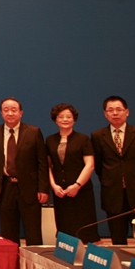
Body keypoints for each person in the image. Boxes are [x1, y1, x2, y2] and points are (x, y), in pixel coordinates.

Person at [91, 96, 135, 245]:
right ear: (105, 114)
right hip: (113, 193)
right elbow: (99, 166)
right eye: (110, 110)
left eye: (119, 109)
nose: (115, 113)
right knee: (117, 238)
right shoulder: (98, 136)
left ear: (127, 112)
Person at [0, 97, 49, 245]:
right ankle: (11, 259)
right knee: (8, 232)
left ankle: (34, 259)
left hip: (30, 188)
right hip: (5, 187)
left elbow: (42, 162)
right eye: (6, 110)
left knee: (33, 231)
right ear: (1, 113)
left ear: (21, 113)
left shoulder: (33, 132)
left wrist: (43, 188)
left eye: (14, 110)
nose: (10, 113)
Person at [46, 103, 99, 242]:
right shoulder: (50, 140)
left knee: (84, 229)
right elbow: (47, 166)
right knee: (65, 229)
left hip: (81, 190)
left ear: (74, 119)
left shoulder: (83, 139)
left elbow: (90, 165)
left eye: (68, 117)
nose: (65, 119)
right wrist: (53, 186)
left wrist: (77, 185)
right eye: (61, 117)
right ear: (55, 120)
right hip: (60, 191)